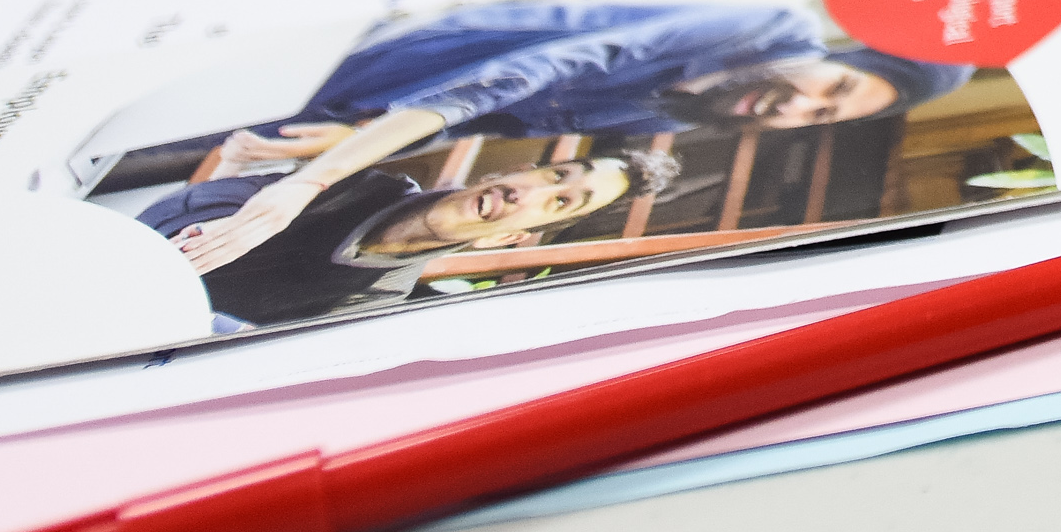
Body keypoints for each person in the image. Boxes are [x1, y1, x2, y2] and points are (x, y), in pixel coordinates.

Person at [155, 0, 962, 276]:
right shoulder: (766, 24)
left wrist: (331, 150)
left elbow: (507, 122)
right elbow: (521, 77)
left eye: (824, 120)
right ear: (833, 54)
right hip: (380, 52)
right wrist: (311, 184)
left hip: (366, 112)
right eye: (836, 89)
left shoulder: (673, 121)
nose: (801, 109)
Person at [134, 149, 673, 330]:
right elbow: (189, 206)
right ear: (515, 170)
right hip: (124, 256)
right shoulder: (361, 180)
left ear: (511, 239)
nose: (528, 194)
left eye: (561, 203)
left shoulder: (376, 301)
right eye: (556, 177)